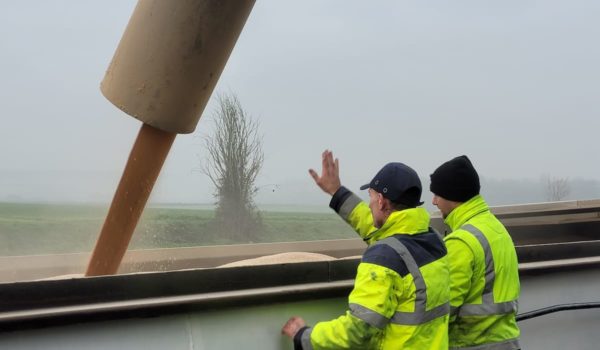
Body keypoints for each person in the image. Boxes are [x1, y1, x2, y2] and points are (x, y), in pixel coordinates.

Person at [282, 150, 450, 349]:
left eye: (370, 197)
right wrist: (337, 192)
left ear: (380, 200)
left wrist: (304, 336)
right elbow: (376, 226)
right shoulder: (434, 241)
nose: (369, 204)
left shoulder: (385, 258)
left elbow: (358, 330)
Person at [430, 155, 520, 349]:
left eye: (437, 194)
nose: (434, 201)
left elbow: (442, 310)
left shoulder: (461, 242)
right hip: (506, 343)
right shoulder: (495, 228)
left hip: (474, 344)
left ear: (452, 195)